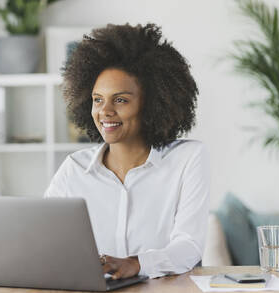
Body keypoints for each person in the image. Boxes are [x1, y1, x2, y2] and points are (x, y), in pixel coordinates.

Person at [44, 23, 210, 279]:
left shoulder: (187, 160)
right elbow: (42, 238)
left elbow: (189, 247)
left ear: (152, 103)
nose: (105, 111)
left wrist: (137, 264)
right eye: (98, 99)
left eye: (120, 100)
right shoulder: (74, 169)